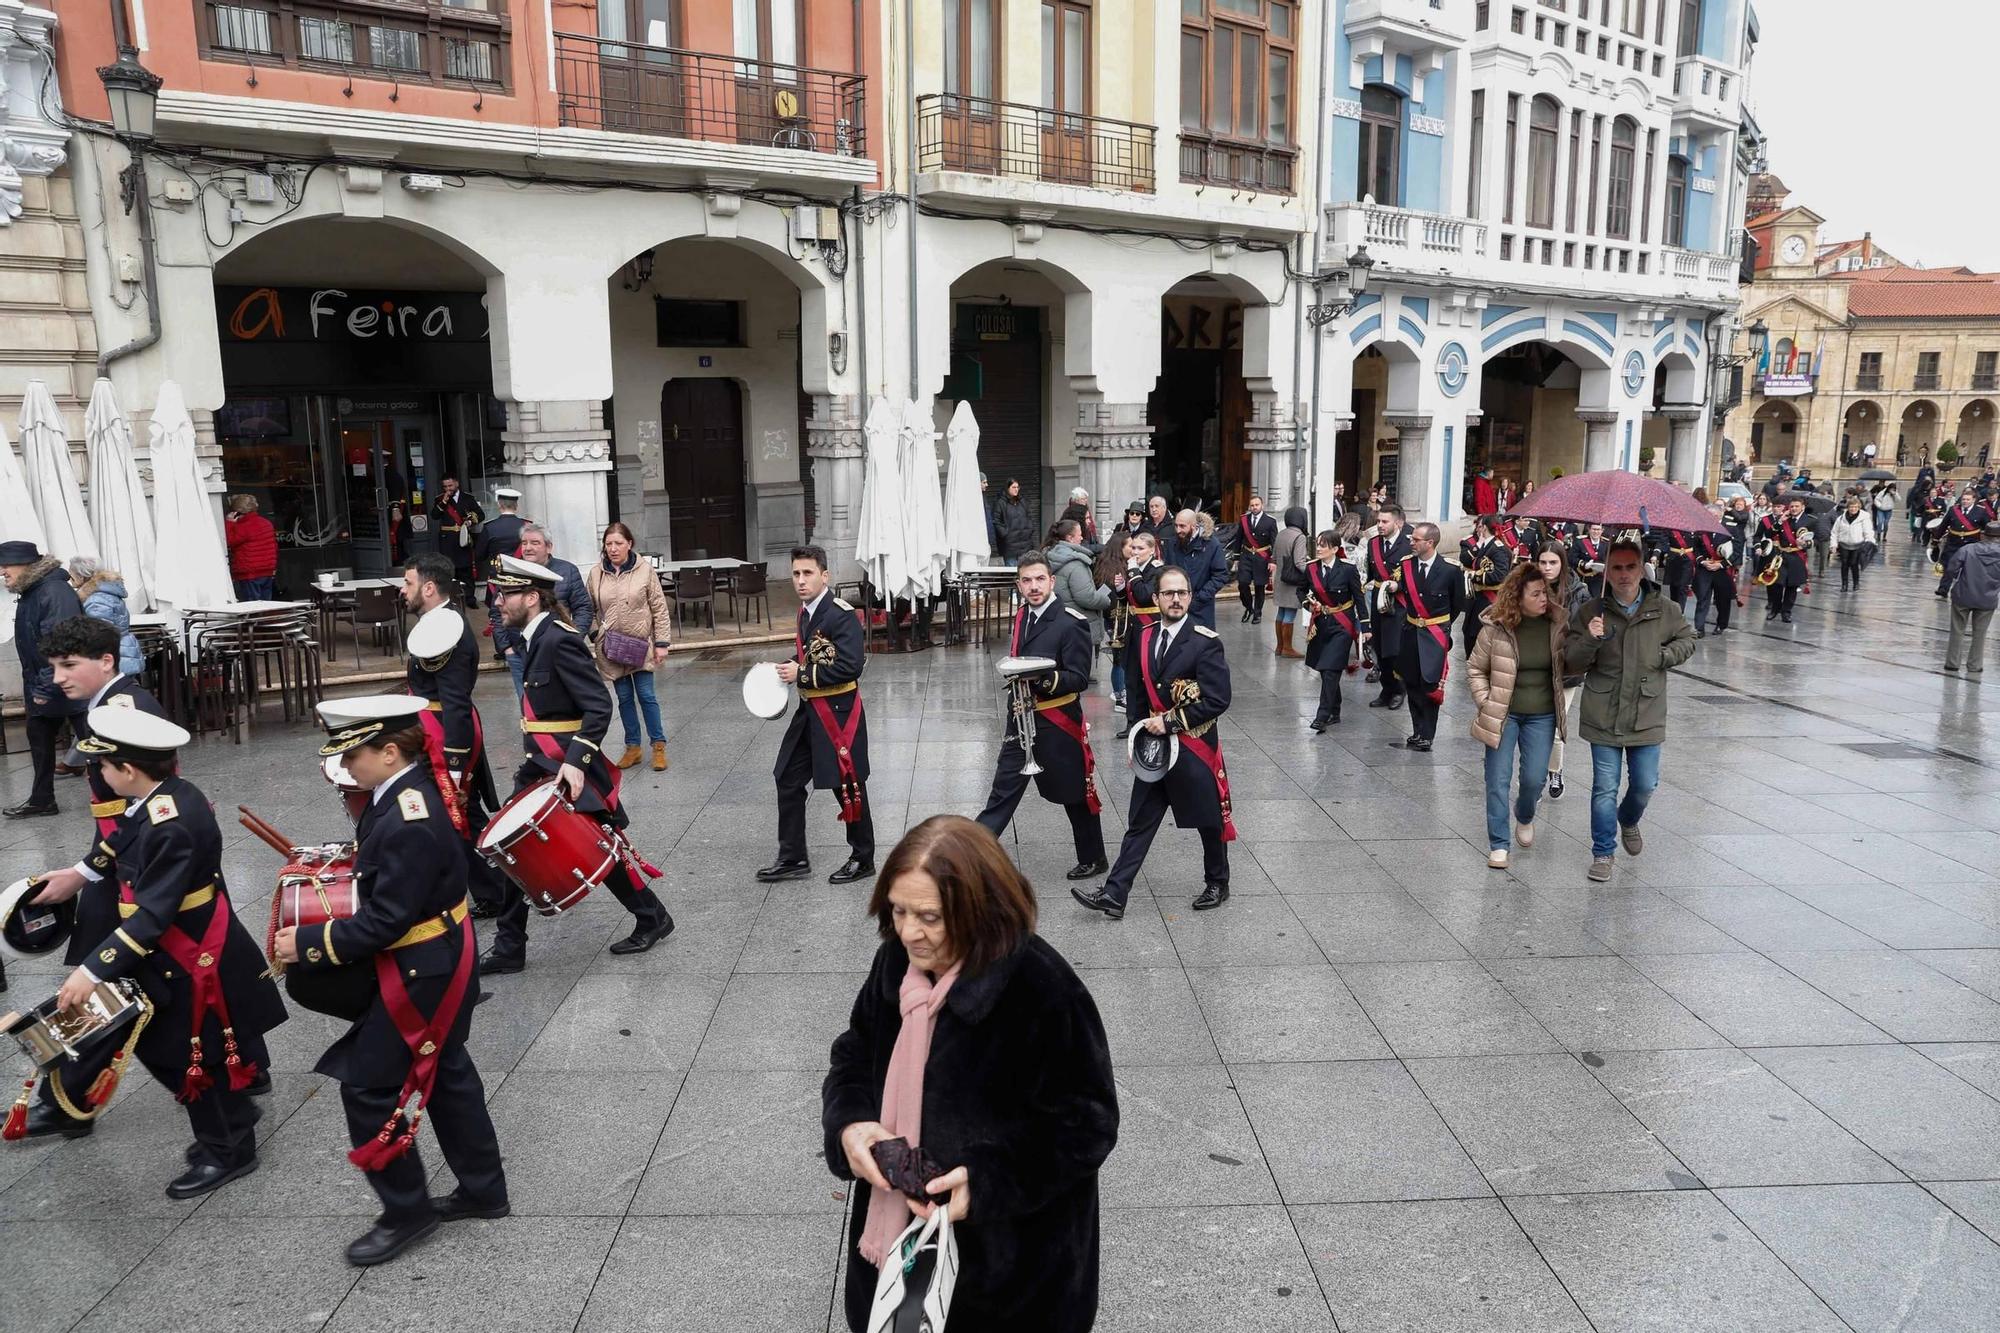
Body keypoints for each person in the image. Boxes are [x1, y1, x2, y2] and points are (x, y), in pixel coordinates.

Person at [824, 816, 1117, 1333]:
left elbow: (1087, 1124)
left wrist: (987, 1182)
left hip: (1013, 1275)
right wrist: (851, 1123)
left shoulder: (1043, 990)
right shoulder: (894, 962)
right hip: (896, 1243)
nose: (909, 931)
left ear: (978, 910)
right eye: (898, 910)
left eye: (929, 917)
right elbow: (854, 1051)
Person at [278, 697, 508, 1266]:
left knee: (370, 1085)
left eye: (352, 755)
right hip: (437, 951)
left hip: (423, 966)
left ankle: (407, 1212)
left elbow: (387, 919)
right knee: (450, 1073)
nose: (344, 767)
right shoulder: (396, 795)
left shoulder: (409, 815)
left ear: (388, 751)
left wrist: (306, 944)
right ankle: (483, 1190)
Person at [42, 706, 286, 1196]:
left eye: (103, 767)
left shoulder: (168, 821)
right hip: (177, 951)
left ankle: (230, 1149)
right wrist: (79, 875)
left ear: (127, 771)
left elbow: (153, 914)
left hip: (192, 953)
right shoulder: (161, 798)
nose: (99, 775)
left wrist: (92, 969)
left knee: (190, 1051)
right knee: (182, 1049)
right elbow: (118, 846)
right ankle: (232, 1121)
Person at [6, 615, 176, 1141]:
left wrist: (85, 872)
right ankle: (243, 1067)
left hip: (134, 862)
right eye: (53, 665)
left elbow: (134, 812)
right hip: (129, 855)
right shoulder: (108, 706)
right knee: (187, 972)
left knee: (98, 977)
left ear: (107, 661)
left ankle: (66, 1099)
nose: (57, 676)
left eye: (68, 664)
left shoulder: (120, 712)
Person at [481, 554, 672, 973]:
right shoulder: (536, 638)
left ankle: (652, 916)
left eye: (504, 594)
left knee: (599, 848)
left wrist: (577, 762)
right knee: (509, 849)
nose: (497, 602)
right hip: (541, 765)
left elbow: (597, 706)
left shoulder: (558, 638)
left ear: (531, 597)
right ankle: (510, 946)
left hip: (565, 765)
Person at [1072, 565, 1234, 918]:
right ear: (1156, 598)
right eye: (1168, 593)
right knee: (1140, 821)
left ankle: (1218, 882)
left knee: (1208, 819)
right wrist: (1138, 732)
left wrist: (1171, 721)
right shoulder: (1143, 636)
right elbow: (1136, 687)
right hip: (1157, 747)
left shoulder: (1206, 641)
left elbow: (1218, 699)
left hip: (1194, 746)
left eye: (1182, 593)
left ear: (1190, 597)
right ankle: (1115, 894)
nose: (1176, 599)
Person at [1563, 540, 1695, 882]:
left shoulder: (1665, 609)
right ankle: (1603, 852)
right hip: (1603, 709)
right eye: (1617, 568)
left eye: (1630, 567)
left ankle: (1629, 818)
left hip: (1646, 709)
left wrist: (1664, 657)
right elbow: (1571, 661)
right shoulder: (1592, 610)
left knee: (1645, 784)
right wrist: (1590, 638)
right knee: (1604, 787)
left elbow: (1687, 640)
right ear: (1606, 571)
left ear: (1642, 569)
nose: (1624, 575)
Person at [976, 553, 1107, 878]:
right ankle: (970, 854)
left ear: (1051, 581)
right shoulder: (1023, 615)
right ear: (1019, 584)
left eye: (1039, 579)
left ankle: (1094, 857)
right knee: (1002, 791)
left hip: (1057, 721)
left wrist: (1045, 680)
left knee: (1074, 793)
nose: (1033, 586)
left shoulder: (1071, 621)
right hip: (1021, 719)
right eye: (1027, 580)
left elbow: (1078, 677)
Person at [758, 546, 875, 885]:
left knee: (848, 786)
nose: (800, 580)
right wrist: (784, 667)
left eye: (808, 573)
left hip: (838, 714)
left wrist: (802, 675)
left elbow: (851, 666)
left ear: (825, 576)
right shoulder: (805, 612)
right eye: (796, 574)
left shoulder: (841, 614)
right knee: (787, 777)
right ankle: (793, 856)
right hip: (809, 712)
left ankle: (862, 857)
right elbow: (808, 654)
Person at [401, 554, 509, 919]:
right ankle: (493, 891)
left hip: (448, 735)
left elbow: (455, 702)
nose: (403, 591)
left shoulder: (445, 629)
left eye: (409, 583)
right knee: (461, 819)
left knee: (464, 817)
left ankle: (499, 890)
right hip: (433, 731)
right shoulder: (435, 623)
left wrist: (456, 762)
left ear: (429, 588)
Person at [1468, 564, 1567, 869]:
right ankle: (1499, 844)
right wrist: (1486, 702)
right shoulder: (1496, 628)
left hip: (1542, 715)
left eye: (1545, 592)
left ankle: (1524, 815)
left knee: (1535, 778)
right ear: (1517, 596)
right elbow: (1475, 668)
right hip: (1503, 713)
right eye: (1535, 593)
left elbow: (1575, 664)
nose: (1543, 598)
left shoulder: (1557, 625)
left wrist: (1590, 639)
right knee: (1497, 779)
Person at [2, 541, 84, 817]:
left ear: (25, 564)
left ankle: (121, 797)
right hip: (43, 682)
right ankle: (42, 800)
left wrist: (46, 687)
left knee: (95, 745)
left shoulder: (53, 590)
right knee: (39, 742)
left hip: (67, 684)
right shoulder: (33, 590)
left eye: (6, 565)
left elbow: (62, 642)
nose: (2, 572)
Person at [585, 522, 673, 772]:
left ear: (629, 544)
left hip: (640, 645)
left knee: (646, 695)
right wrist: (595, 634)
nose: (613, 549)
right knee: (624, 698)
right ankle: (633, 747)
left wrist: (662, 643)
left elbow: (659, 607)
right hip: (611, 648)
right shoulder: (595, 574)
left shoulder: (644, 570)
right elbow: (587, 608)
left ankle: (658, 745)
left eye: (618, 543)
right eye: (609, 544)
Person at [492, 523, 592, 700]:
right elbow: (497, 610)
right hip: (518, 652)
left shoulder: (567, 571)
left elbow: (583, 607)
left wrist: (574, 637)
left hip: (555, 649)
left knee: (555, 703)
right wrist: (506, 647)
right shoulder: (511, 573)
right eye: (524, 543)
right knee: (528, 707)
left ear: (549, 546)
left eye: (535, 543)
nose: (528, 548)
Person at [1394, 523, 1466, 752]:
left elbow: (1456, 605)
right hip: (1411, 632)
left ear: (1430, 543)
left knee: (1430, 684)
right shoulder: (1407, 565)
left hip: (1434, 636)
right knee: (1412, 683)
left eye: (1416, 539)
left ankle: (1428, 734)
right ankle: (1417, 730)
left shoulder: (1451, 570)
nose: (1411, 542)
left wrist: (1440, 627)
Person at [1302, 528, 1371, 731]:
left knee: (1331, 669)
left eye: (1323, 545)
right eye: (1318, 544)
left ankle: (1321, 716)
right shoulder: (1311, 568)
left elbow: (1359, 599)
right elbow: (1301, 591)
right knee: (1325, 670)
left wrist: (1365, 627)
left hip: (1342, 625)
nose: (1319, 548)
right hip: (1321, 623)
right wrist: (1309, 604)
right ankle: (1335, 709)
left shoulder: (1348, 570)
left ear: (1334, 548)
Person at [1535, 545, 1589, 801]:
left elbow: (1583, 629)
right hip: (1534, 668)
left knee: (1557, 725)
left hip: (1566, 670)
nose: (1547, 568)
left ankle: (1554, 770)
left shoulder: (1578, 592)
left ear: (1562, 564)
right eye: (1543, 562)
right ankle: (1534, 774)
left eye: (1553, 562)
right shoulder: (1527, 588)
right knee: (1536, 727)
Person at [1113, 529, 1167, 739]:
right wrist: (1120, 589)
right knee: (1132, 677)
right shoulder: (1133, 569)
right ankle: (1133, 722)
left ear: (1152, 550)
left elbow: (1144, 596)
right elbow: (1129, 599)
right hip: (1134, 628)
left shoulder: (1157, 569)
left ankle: (1156, 718)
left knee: (1151, 675)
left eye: (1140, 548)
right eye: (1133, 547)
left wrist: (1134, 573)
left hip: (1151, 626)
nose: (1135, 552)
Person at [1360, 505, 1412, 710]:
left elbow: (1413, 577)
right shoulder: (1373, 544)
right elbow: (1370, 573)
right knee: (1379, 648)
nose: (1380, 526)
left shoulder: (1408, 545)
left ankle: (1399, 689)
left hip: (1398, 603)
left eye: (1385, 522)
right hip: (1377, 602)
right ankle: (1386, 688)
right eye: (1378, 521)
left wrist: (1398, 586)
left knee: (1394, 650)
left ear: (1397, 523)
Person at [68, 557, 144, 675]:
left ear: (81, 576)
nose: (70, 581)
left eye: (72, 577)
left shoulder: (96, 600)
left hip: (114, 657)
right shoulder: (105, 593)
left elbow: (100, 635)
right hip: (122, 653)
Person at [1945, 521, 2000, 674]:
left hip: (1963, 594)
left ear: (1983, 535)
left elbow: (1951, 568)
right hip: (1987, 598)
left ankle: (1952, 663)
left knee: (1957, 630)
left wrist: (1954, 581)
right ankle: (1975, 665)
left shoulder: (1968, 549)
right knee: (1980, 633)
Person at [1048, 519, 1112, 647]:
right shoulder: (1076, 564)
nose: (1082, 537)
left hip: (1061, 621)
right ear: (1070, 538)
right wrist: (1106, 600)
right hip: (1079, 626)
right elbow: (1087, 598)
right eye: (1079, 534)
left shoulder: (1053, 555)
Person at [1165, 508, 1229, 630]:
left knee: (1201, 645)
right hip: (1175, 606)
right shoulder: (1172, 543)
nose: (1178, 530)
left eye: (1182, 526)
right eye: (1176, 526)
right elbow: (1167, 570)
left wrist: (1199, 598)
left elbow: (1221, 575)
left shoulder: (1211, 544)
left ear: (1194, 526)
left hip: (1201, 609)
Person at [1460, 516, 1514, 657]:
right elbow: (1466, 559)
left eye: (1480, 526)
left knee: (1480, 636)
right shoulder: (1484, 545)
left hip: (1488, 600)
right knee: (1469, 634)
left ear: (1484, 528)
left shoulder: (1498, 548)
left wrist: (1474, 576)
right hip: (1476, 599)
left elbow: (1499, 575)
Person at [1757, 496, 1813, 623]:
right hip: (1781, 557)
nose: (1793, 509)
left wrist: (1806, 544)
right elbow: (1769, 534)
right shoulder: (1783, 519)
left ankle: (1786, 611)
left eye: (1796, 506)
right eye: (1792, 506)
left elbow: (1817, 539)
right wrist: (1780, 521)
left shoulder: (1809, 521)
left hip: (1797, 556)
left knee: (1792, 586)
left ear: (1802, 507)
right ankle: (1774, 609)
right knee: (1776, 584)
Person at [1092, 530, 1132, 709]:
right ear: (1120, 548)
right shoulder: (1118, 570)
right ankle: (1121, 698)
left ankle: (1120, 694)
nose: (1133, 549)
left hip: (1112, 620)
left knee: (1119, 660)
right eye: (1130, 546)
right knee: (1123, 660)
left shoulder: (1103, 565)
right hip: (1121, 621)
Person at [430, 476, 484, 602]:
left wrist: (470, 522)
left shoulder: (468, 498)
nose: (448, 489)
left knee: (466, 569)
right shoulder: (439, 499)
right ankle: (451, 599)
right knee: (449, 570)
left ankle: (469, 598)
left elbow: (481, 515)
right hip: (447, 540)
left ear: (456, 483)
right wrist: (443, 502)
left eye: (450, 486)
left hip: (463, 538)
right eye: (445, 487)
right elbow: (434, 515)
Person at [474, 486, 528, 606]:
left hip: (497, 578)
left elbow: (479, 555)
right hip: (523, 577)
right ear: (516, 506)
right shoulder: (527, 526)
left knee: (497, 612)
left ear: (499, 505)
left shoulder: (490, 527)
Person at [1229, 494, 1278, 626]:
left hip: (1262, 557)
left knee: (1259, 587)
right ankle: (1249, 608)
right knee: (1242, 584)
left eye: (1257, 505)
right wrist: (1236, 558)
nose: (1254, 507)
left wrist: (1273, 561)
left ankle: (1257, 613)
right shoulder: (1244, 520)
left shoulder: (1270, 521)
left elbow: (1275, 543)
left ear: (1262, 505)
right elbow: (1238, 539)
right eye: (1252, 505)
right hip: (1246, 555)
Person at [1272, 505, 1312, 660]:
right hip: (1292, 581)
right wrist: (1312, 573)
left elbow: (1275, 556)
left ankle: (1279, 646)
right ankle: (1287, 648)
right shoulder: (1299, 537)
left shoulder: (1281, 534)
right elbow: (1299, 563)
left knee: (1281, 612)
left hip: (1280, 579)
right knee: (1290, 613)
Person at [1936, 488, 1992, 597]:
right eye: (1963, 499)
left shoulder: (1981, 511)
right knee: (1949, 566)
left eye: (1968, 499)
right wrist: (1936, 539)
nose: (1965, 501)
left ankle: (1964, 590)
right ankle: (1943, 589)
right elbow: (1944, 525)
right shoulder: (1953, 510)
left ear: (1973, 500)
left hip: (1971, 543)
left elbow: (1987, 528)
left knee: (1968, 568)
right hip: (1953, 542)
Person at [1690, 510, 1738, 638]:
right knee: (1702, 598)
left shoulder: (1731, 528)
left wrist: (1722, 564)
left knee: (1722, 600)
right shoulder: (1701, 527)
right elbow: (1696, 548)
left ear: (1721, 514)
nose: (1712, 516)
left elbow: (1737, 550)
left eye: (1715, 514)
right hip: (1705, 568)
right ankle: (1699, 628)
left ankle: (1721, 624)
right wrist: (1702, 561)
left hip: (1722, 569)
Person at [224, 494, 279, 601]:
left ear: (237, 513)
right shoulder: (266, 523)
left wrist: (229, 523)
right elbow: (274, 546)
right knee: (266, 605)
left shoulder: (243, 526)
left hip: (249, 573)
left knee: (253, 607)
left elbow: (229, 541)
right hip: (267, 571)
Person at [1830, 495, 1876, 594]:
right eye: (1851, 507)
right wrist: (1833, 544)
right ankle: (1844, 584)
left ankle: (1856, 583)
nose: (1853, 509)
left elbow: (1868, 531)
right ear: (1848, 507)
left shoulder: (1864, 518)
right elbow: (1835, 532)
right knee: (1844, 564)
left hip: (1857, 544)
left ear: (1858, 507)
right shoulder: (1841, 518)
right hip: (1844, 544)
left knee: (1854, 564)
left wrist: (1870, 541)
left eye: (1855, 507)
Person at [991, 479, 1035, 563]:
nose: (1016, 489)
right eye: (1013, 487)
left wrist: (1030, 529)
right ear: (1007, 488)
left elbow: (1028, 516)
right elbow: (996, 520)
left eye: (1018, 487)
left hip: (1025, 544)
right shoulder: (1001, 503)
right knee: (1011, 572)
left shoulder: (1022, 501)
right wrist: (1005, 534)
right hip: (1010, 546)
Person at [1059, 487, 1100, 553]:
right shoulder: (1071, 512)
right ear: (1076, 500)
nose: (1086, 500)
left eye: (1086, 498)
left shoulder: (1085, 510)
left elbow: (1091, 525)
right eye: (1083, 499)